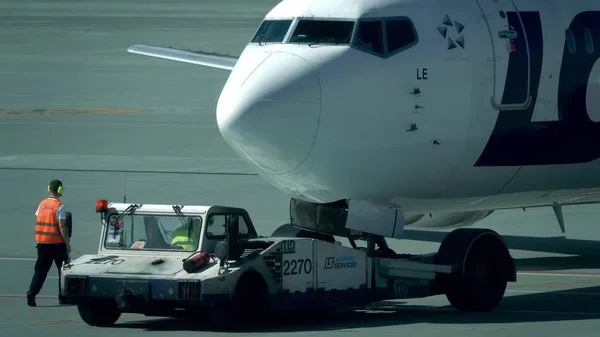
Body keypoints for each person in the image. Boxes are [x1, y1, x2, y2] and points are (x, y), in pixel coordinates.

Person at [26, 179, 71, 307]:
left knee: (40, 271)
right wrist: (66, 242)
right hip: (57, 244)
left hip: (42, 243)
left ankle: (32, 293)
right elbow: (61, 226)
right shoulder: (59, 206)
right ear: (59, 190)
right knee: (62, 270)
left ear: (49, 189)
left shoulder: (42, 204)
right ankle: (63, 296)